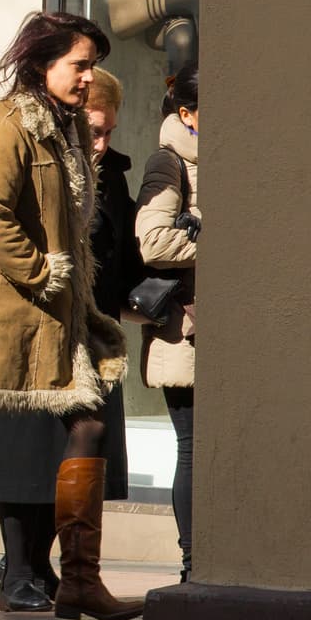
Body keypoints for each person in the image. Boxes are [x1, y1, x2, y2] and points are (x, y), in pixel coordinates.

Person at [0, 12, 143, 620]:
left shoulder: (67, 128)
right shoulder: (10, 123)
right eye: (80, 64)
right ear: (43, 62)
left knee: (90, 424)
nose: (88, 76)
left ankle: (79, 582)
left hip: (57, 320)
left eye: (92, 66)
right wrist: (42, 271)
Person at [135, 62, 199, 583]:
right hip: (185, 333)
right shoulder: (168, 161)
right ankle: (193, 564)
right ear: (187, 113)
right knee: (194, 448)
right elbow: (153, 242)